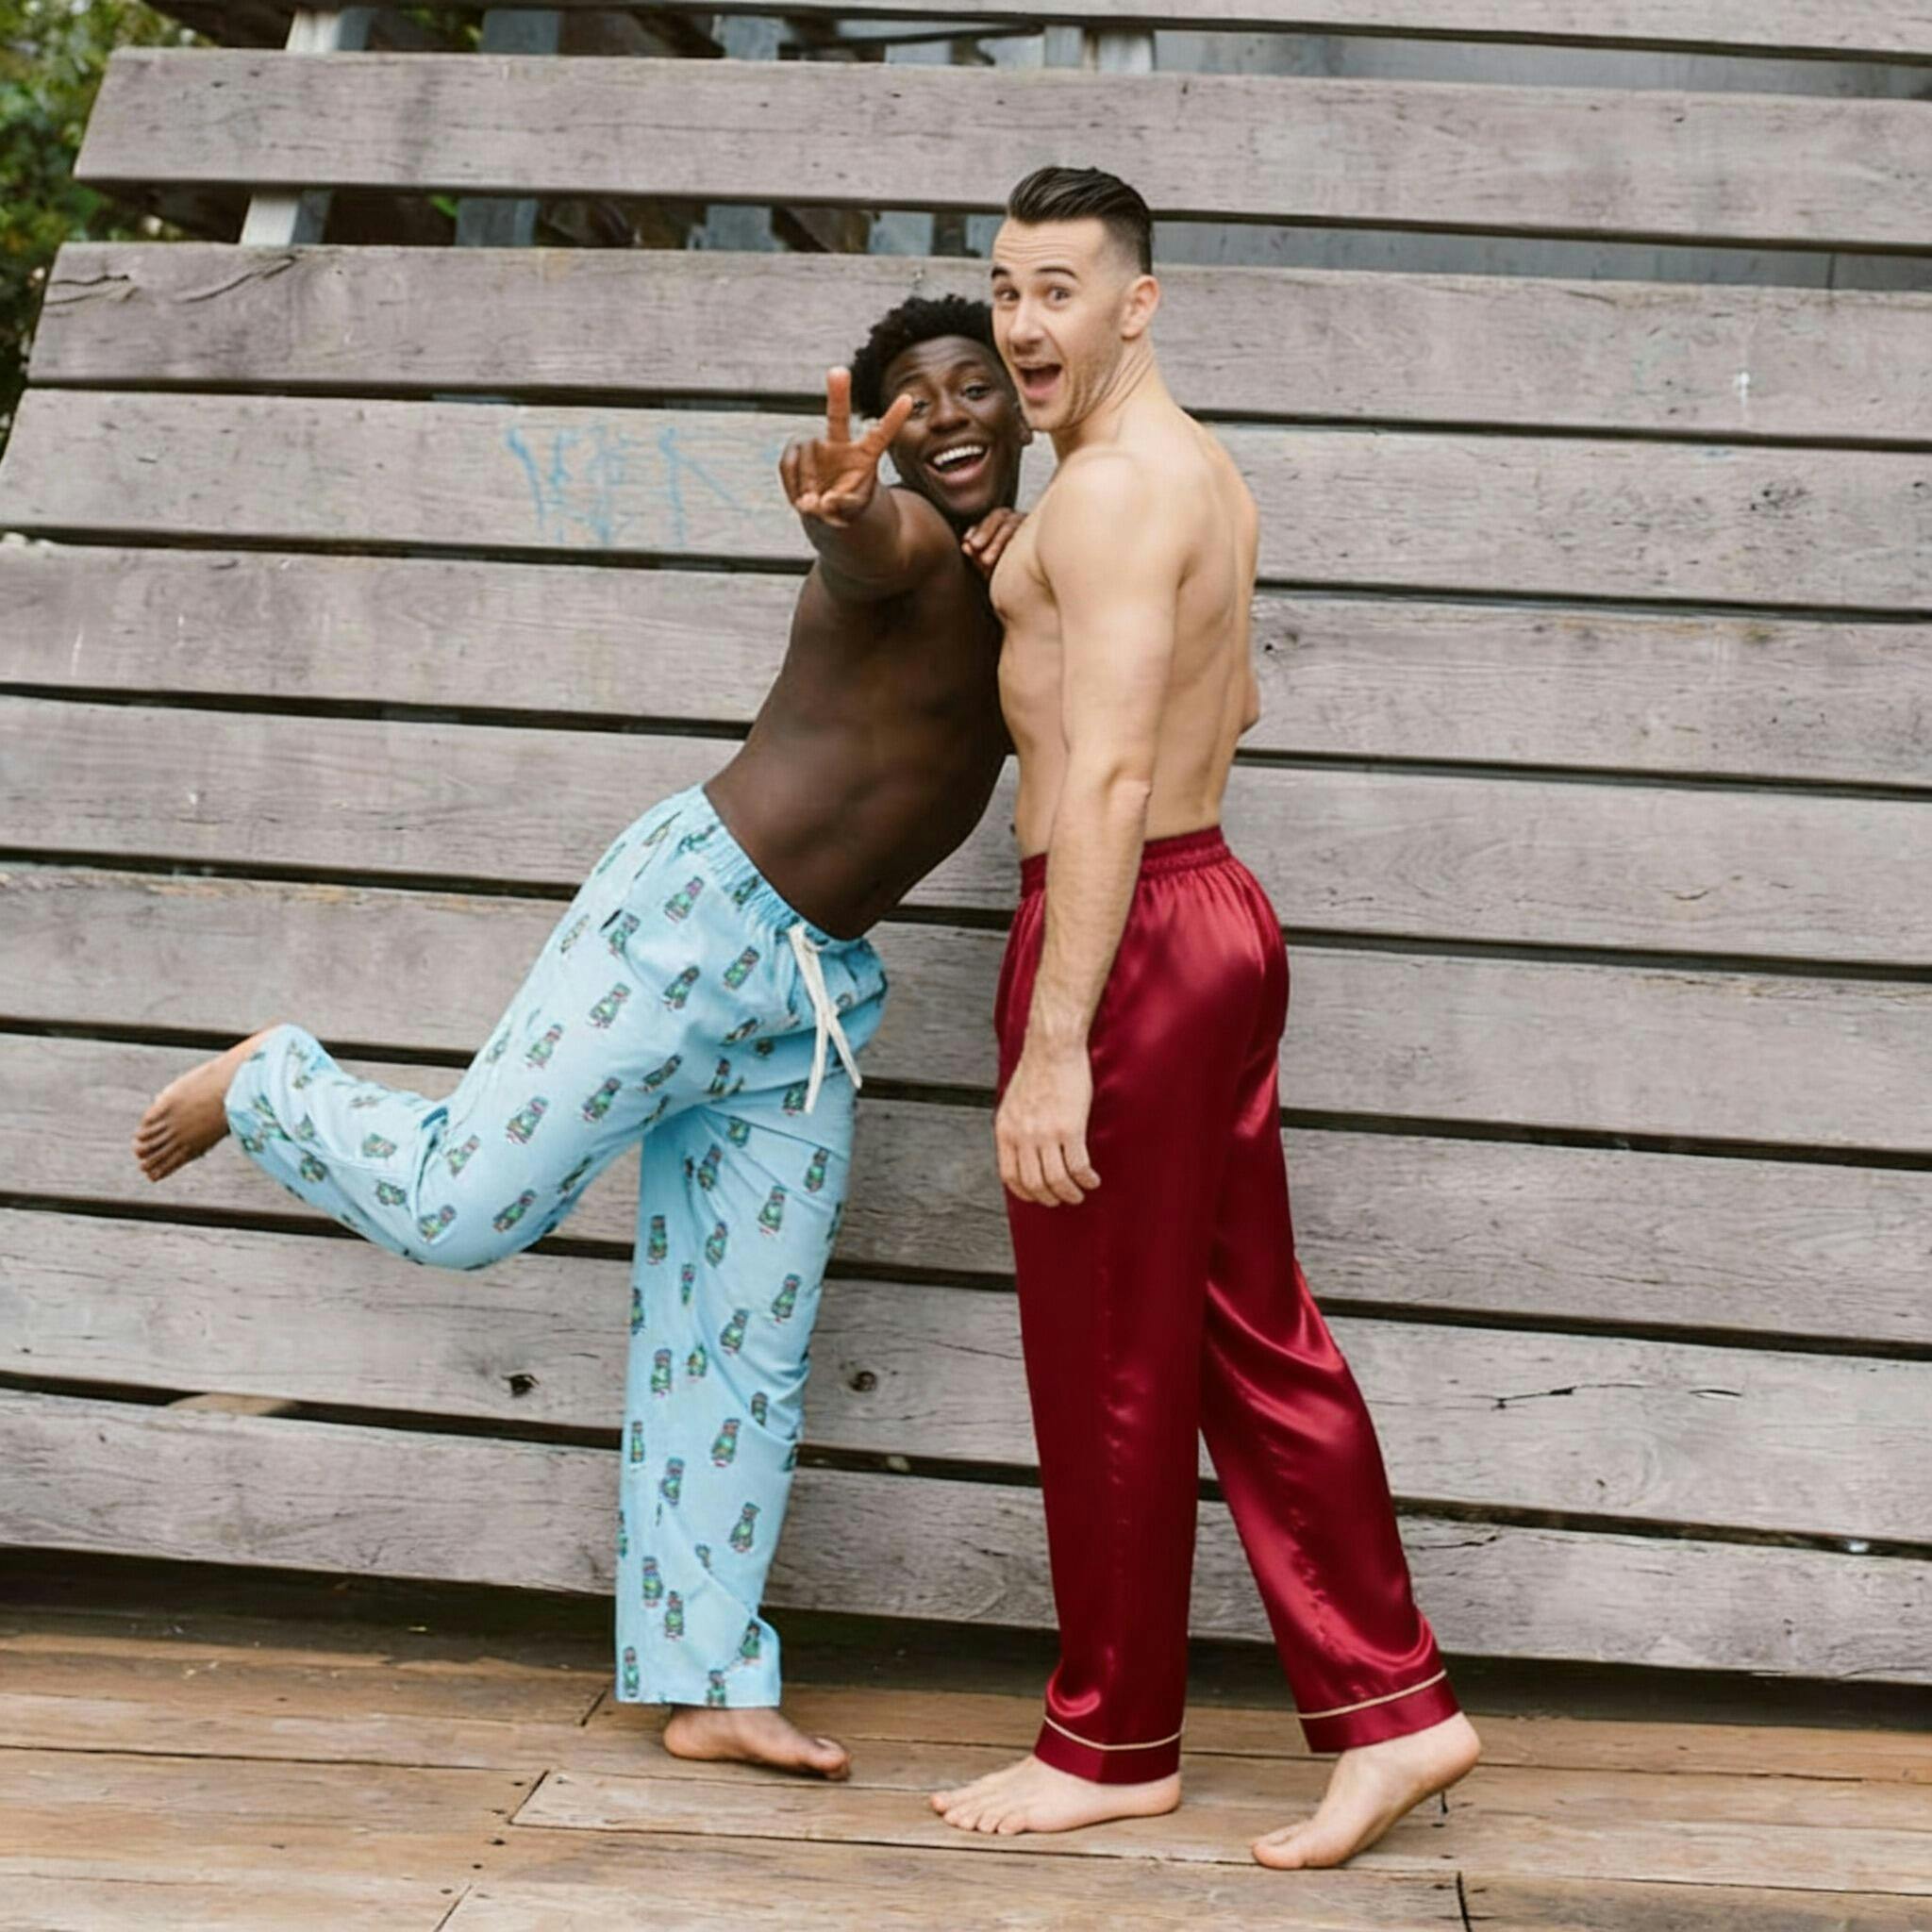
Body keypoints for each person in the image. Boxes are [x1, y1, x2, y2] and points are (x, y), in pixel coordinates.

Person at [133, 293, 1030, 1782]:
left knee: (740, 1348)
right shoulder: (916, 549)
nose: (945, 413)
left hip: (809, 1003)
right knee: (461, 1208)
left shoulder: (1035, 569)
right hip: (689, 929)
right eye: (912, 395)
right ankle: (274, 1080)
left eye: (974, 385)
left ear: (1023, 406)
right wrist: (845, 511)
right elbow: (871, 548)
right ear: (877, 433)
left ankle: (709, 1681)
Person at [928, 167, 1482, 1867]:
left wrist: (1056, 1043)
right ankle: (1398, 1713)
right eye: (1006, 289)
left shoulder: (1107, 498)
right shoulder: (1188, 476)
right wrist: (1025, 573)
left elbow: (1105, 770)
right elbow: (1210, 693)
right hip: (1211, 909)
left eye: (1060, 291)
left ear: (1139, 304)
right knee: (1250, 1333)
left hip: (1125, 930)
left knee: (1107, 1355)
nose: (1024, 324)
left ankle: (1108, 1741)